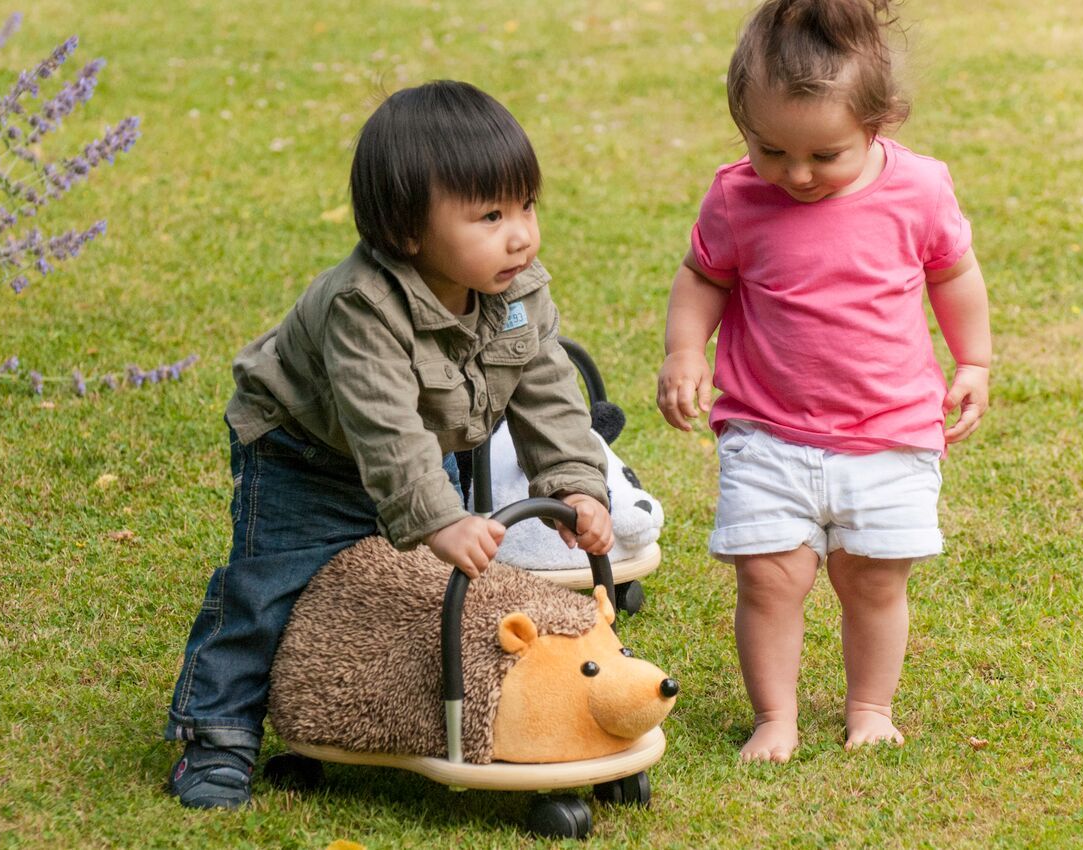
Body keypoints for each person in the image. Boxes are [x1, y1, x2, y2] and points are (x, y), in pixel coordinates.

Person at [165, 80, 614, 808]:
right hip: (306, 455)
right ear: (408, 233)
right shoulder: (363, 305)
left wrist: (576, 481)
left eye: (527, 205)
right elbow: (385, 427)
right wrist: (438, 517)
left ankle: (399, 711)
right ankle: (215, 734)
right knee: (270, 587)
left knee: (418, 590)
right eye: (490, 215)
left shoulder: (518, 290)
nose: (520, 233)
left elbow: (549, 387)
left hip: (417, 444)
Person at [657, 0, 990, 763]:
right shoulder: (738, 196)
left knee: (873, 583)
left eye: (824, 155)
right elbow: (702, 277)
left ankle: (870, 705)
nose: (795, 174)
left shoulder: (920, 191)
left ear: (882, 123)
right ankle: (775, 716)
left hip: (891, 433)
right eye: (770, 150)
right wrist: (685, 352)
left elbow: (955, 273)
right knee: (770, 583)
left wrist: (972, 362)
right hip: (767, 429)